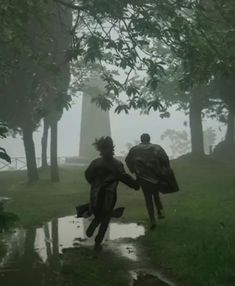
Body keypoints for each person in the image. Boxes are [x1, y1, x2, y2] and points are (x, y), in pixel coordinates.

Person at [85, 136, 139, 251]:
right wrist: (135, 185)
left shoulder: (95, 163)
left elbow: (88, 176)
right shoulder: (116, 164)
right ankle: (98, 238)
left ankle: (97, 235)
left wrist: (94, 185)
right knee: (106, 216)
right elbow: (125, 178)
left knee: (102, 214)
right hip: (108, 195)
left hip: (95, 194)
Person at [125, 133, 177, 229]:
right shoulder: (157, 148)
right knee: (156, 194)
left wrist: (134, 170)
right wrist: (165, 170)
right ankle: (160, 212)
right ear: (149, 139)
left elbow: (128, 160)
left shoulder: (134, 149)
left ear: (141, 139)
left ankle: (152, 219)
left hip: (143, 178)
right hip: (156, 176)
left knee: (148, 198)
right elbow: (165, 159)